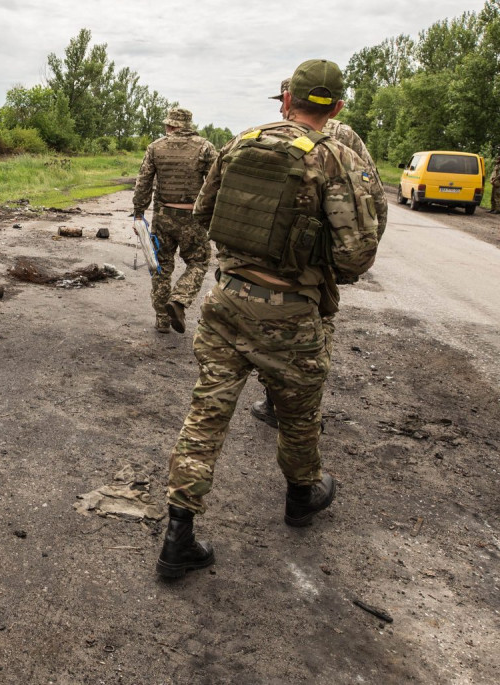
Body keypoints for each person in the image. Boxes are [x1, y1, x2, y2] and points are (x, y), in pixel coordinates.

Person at [157, 59, 383, 579]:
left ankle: (178, 536)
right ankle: (301, 498)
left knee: (207, 412)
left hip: (227, 303)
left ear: (287, 100)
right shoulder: (336, 158)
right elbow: (355, 257)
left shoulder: (239, 143)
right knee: (299, 416)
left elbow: (205, 215)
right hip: (292, 314)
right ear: (338, 108)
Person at [249, 80, 388, 427]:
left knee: (271, 331)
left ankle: (280, 406)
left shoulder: (269, 136)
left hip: (276, 258)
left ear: (289, 100)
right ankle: (297, 408)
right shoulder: (347, 137)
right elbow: (376, 200)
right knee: (316, 329)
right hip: (322, 259)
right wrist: (352, 260)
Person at [131, 107, 217, 334]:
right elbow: (217, 183)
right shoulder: (205, 147)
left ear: (170, 125)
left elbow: (143, 183)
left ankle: (162, 319)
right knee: (198, 262)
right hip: (193, 218)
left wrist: (139, 213)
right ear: (188, 126)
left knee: (160, 267)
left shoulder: (155, 147)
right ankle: (180, 299)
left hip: (163, 217)